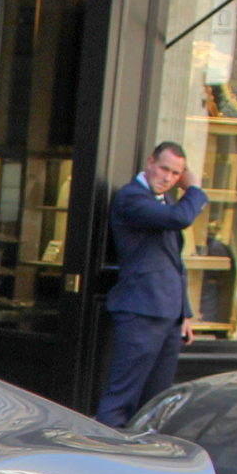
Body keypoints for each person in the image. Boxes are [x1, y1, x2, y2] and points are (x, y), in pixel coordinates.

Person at [96, 141, 208, 428]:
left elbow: (174, 263)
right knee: (122, 396)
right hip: (140, 311)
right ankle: (106, 454)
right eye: (164, 169)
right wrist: (193, 187)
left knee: (156, 400)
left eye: (175, 173)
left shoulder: (167, 200)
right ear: (150, 162)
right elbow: (181, 218)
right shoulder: (132, 198)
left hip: (168, 313)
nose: (168, 178)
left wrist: (183, 313)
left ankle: (143, 456)